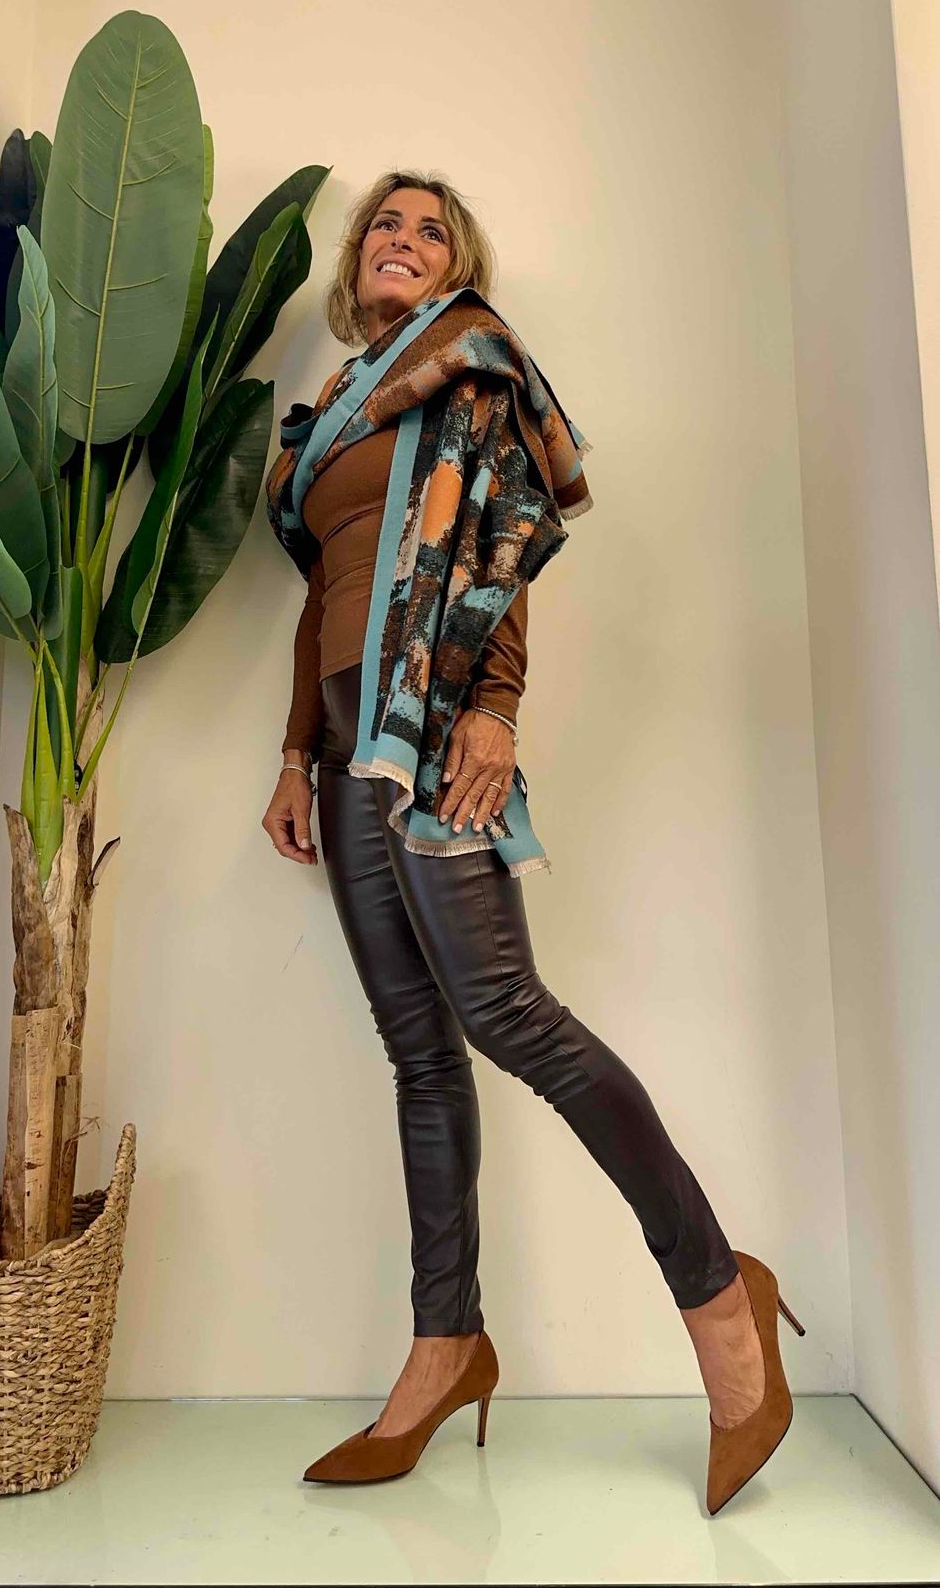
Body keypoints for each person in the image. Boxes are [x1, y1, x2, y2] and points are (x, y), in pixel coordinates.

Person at [261, 171, 805, 1513]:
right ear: (356, 259)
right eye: (383, 224)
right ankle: (444, 1344)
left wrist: (495, 711)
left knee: (509, 1013)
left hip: (434, 727)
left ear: (459, 267)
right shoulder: (333, 408)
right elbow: (324, 592)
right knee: (418, 1050)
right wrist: (290, 753)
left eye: (428, 229)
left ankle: (719, 1293)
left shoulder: (470, 362)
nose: (400, 239)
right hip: (344, 747)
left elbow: (500, 537)